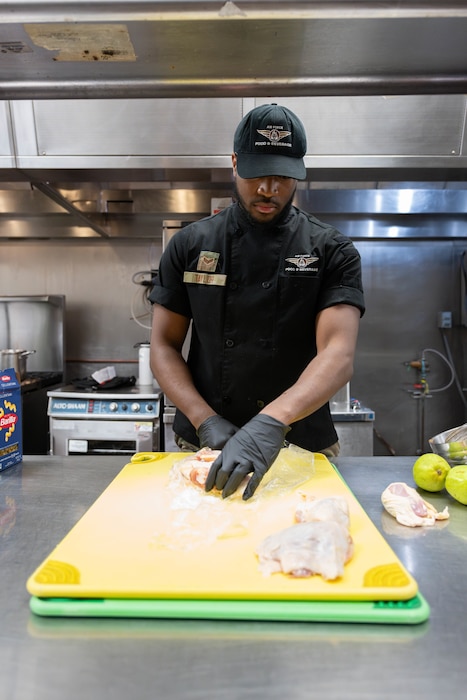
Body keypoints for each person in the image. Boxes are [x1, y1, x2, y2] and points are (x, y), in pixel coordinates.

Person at [149, 103, 365, 501]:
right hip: (205, 445)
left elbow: (337, 353)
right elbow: (163, 345)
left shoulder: (332, 250)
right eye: (257, 174)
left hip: (302, 442)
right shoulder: (190, 245)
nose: (269, 189)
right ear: (234, 163)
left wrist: (270, 423)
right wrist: (204, 419)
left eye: (283, 175)